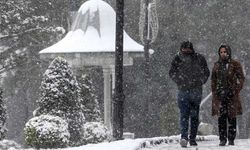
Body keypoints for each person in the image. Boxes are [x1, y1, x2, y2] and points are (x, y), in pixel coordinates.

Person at [169, 41, 210, 147]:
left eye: (187, 49)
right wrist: (180, 80)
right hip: (185, 90)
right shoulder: (178, 58)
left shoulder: (198, 58)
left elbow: (206, 72)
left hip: (193, 90)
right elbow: (172, 72)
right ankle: (185, 137)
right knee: (186, 115)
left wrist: (200, 81)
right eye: (184, 49)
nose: (186, 51)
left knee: (192, 115)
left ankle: (190, 137)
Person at [211, 45, 244, 146]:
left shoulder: (235, 64)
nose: (223, 54)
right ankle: (222, 139)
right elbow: (213, 80)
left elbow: (241, 78)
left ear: (228, 52)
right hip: (220, 96)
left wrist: (236, 89)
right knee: (221, 118)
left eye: (225, 52)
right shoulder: (216, 65)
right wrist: (215, 92)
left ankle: (231, 138)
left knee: (232, 118)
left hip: (232, 96)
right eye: (221, 52)